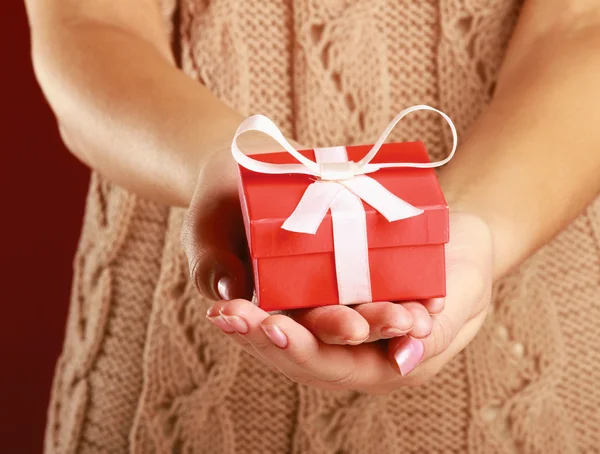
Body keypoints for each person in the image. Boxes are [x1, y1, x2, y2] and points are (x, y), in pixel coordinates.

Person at [26, 0, 600, 452]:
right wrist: (238, 165)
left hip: (523, 373)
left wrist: (472, 227)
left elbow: (580, 26)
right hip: (166, 377)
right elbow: (90, 24)